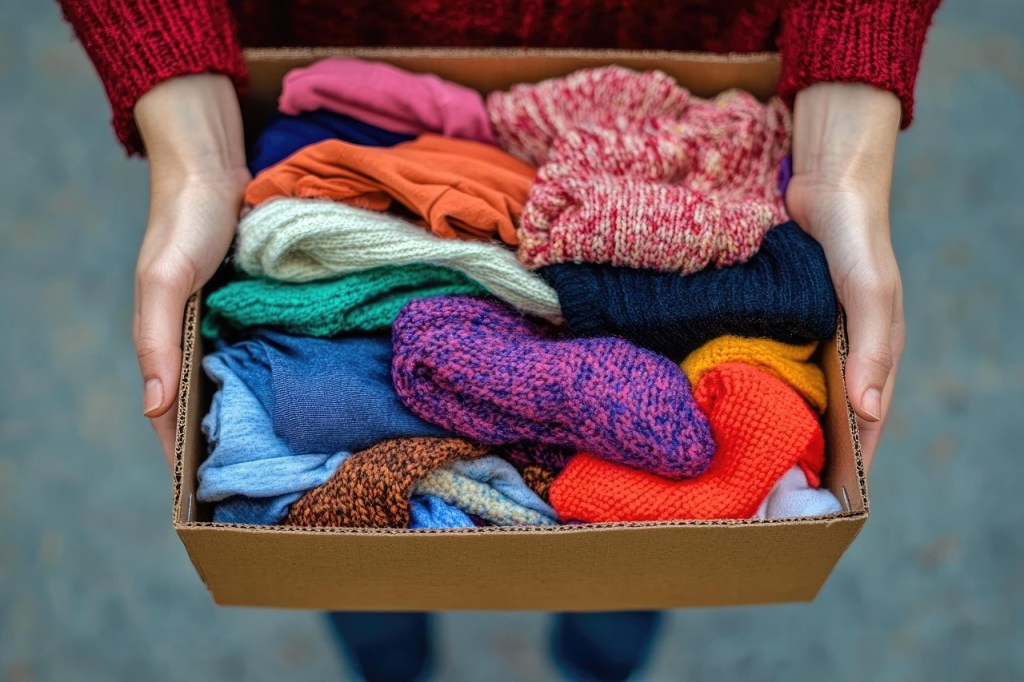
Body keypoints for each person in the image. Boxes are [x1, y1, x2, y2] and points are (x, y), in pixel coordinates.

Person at [58, 2, 940, 681]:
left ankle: (586, 662)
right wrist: (198, 145)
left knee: (648, 549)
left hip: (685, 48)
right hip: (326, 33)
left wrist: (838, 155)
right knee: (353, 553)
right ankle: (398, 660)